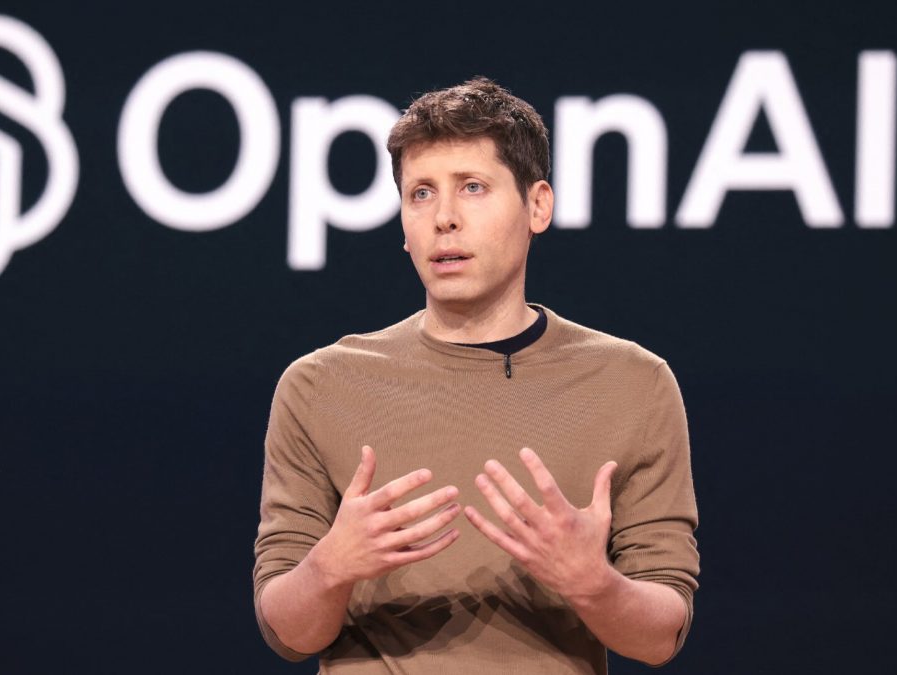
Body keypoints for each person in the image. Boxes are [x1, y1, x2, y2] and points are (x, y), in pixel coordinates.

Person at [253, 77, 698, 674]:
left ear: (537, 205)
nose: (445, 219)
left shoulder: (632, 385)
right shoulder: (320, 386)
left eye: (473, 187)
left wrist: (593, 583)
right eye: (420, 194)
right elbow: (288, 633)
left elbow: (660, 636)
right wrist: (331, 568)